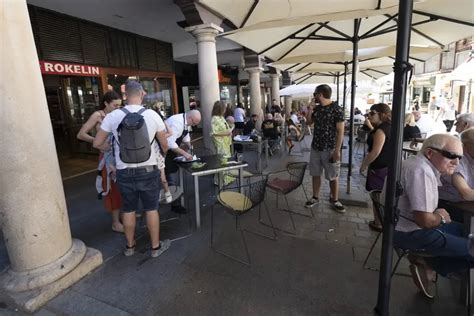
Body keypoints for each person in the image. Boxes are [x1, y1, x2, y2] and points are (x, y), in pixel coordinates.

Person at [93, 80, 170, 258]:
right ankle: (155, 248)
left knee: (128, 209)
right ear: (142, 94)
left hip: (124, 171)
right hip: (148, 169)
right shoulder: (152, 115)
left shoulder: (113, 116)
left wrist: (112, 149)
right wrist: (162, 155)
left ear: (125, 95)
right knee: (151, 208)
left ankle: (130, 247)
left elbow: (97, 142)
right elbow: (164, 145)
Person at [393, 134, 474, 298]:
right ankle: (434, 263)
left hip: (402, 226)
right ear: (430, 153)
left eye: (459, 157)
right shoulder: (420, 171)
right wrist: (440, 216)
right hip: (409, 233)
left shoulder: (421, 166)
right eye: (451, 156)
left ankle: (430, 263)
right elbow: (424, 221)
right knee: (471, 246)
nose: (457, 162)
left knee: (465, 231)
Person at [77, 91, 124, 233]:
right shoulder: (98, 115)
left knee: (122, 187)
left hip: (118, 156)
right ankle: (115, 222)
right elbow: (81, 134)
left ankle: (122, 214)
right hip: (107, 157)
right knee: (112, 189)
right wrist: (97, 141)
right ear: (106, 103)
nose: (117, 108)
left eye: (119, 105)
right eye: (114, 105)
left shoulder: (116, 114)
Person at [305, 84, 345, 212]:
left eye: (315, 94)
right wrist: (310, 109)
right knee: (315, 173)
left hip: (330, 148)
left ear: (320, 94)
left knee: (333, 175)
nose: (314, 97)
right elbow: (308, 123)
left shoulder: (336, 109)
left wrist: (337, 151)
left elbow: (341, 131)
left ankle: (335, 199)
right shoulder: (317, 109)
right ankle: (315, 197)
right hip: (316, 147)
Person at [359, 103, 392, 232]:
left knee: (377, 196)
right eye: (369, 113)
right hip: (388, 166)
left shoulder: (381, 130)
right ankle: (380, 221)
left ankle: (378, 222)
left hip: (379, 167)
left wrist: (364, 165)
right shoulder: (388, 127)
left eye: (372, 113)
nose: (369, 115)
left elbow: (375, 151)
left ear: (381, 115)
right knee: (382, 195)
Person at [165, 110, 202, 213]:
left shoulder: (185, 121)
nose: (194, 125)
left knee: (172, 175)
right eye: (194, 123)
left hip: (170, 151)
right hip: (164, 151)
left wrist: (189, 145)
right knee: (171, 177)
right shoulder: (177, 122)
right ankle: (175, 204)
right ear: (190, 118)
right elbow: (170, 143)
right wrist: (184, 153)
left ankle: (173, 198)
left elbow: (185, 135)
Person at [438, 128, 474, 222]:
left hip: (464, 205)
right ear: (464, 145)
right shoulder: (456, 161)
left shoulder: (471, 159)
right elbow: (466, 194)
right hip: (448, 207)